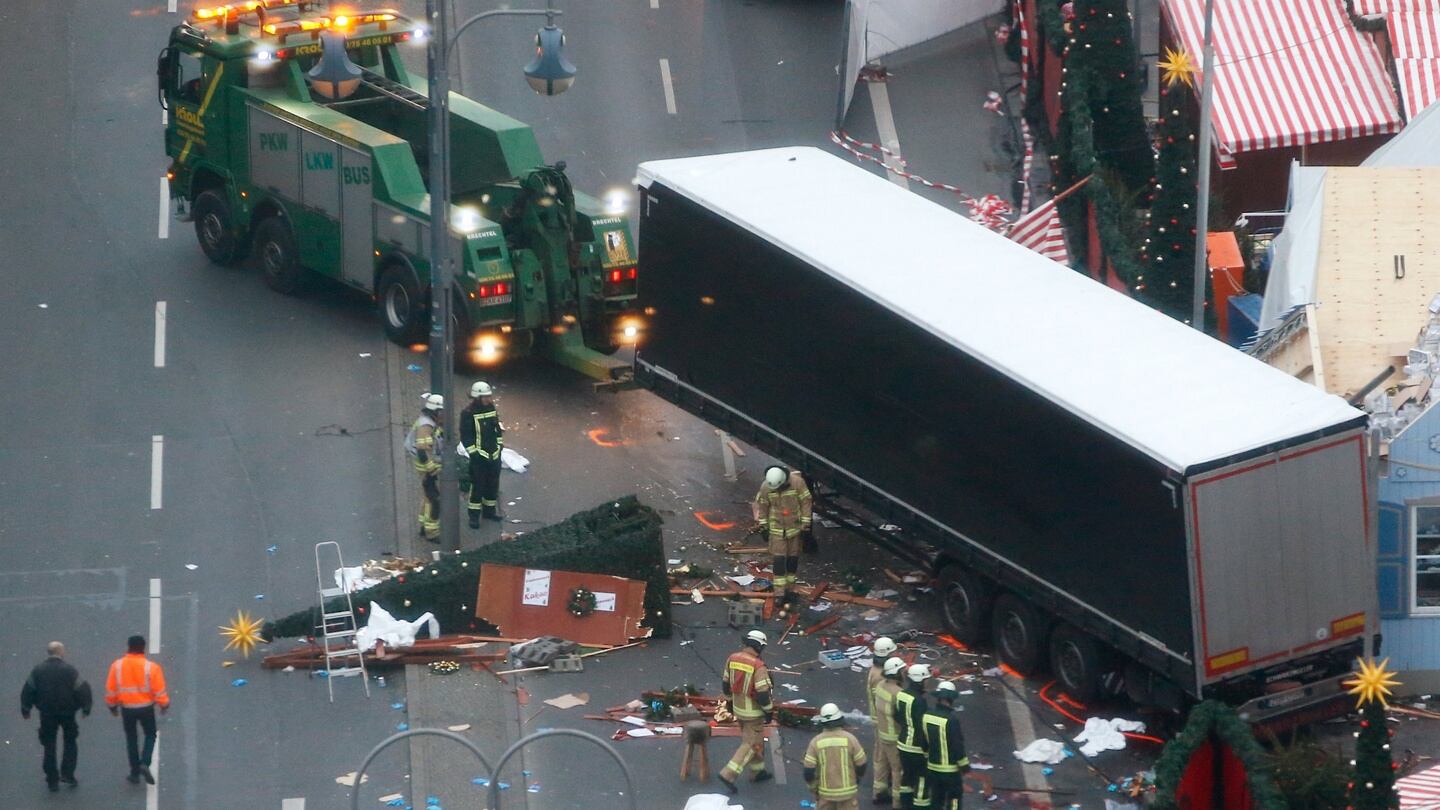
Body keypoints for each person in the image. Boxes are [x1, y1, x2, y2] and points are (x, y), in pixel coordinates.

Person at [21, 641, 92, 791]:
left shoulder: (38, 670)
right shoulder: (70, 670)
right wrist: (86, 707)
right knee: (70, 741)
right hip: (67, 712)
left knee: (49, 744)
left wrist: (26, 709)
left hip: (47, 713)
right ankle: (67, 773)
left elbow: (28, 690)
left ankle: (51, 778)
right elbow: (82, 689)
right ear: (61, 652)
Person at [105, 635, 168, 785]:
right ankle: (144, 762)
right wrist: (163, 704)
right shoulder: (151, 667)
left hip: (127, 709)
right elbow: (159, 690)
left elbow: (111, 689)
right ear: (143, 648)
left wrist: (112, 706)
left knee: (131, 739)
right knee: (150, 734)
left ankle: (134, 773)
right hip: (146, 708)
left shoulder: (117, 666)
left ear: (128, 646)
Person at [718, 629, 775, 793]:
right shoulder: (758, 666)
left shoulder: (732, 658)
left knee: (755, 740)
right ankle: (728, 774)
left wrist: (729, 701)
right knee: (750, 743)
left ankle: (757, 772)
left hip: (738, 708)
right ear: (759, 647)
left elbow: (725, 683)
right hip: (753, 713)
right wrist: (768, 711)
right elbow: (763, 694)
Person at [752, 465, 812, 610]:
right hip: (777, 530)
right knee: (779, 562)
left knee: (792, 561)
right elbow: (763, 507)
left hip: (794, 530)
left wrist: (805, 525)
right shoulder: (766, 487)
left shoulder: (797, 483)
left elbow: (806, 503)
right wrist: (764, 527)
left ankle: (790, 590)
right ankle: (779, 594)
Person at [804, 702, 868, 810]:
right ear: (840, 720)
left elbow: (808, 772)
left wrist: (814, 788)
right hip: (848, 793)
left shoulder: (816, 742)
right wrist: (857, 779)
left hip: (825, 794)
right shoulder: (850, 739)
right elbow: (861, 764)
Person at [459, 381, 504, 528]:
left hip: (493, 454)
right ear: (477, 397)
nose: (489, 399)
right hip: (479, 458)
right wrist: (474, 453)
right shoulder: (467, 413)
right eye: (486, 397)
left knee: (492, 485)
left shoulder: (490, 408)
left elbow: (496, 428)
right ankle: (474, 516)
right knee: (477, 487)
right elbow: (466, 436)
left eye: (489, 396)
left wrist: (499, 445)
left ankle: (489, 512)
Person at [921, 681, 970, 810]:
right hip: (950, 771)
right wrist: (964, 766)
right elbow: (957, 746)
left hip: (932, 767)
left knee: (936, 799)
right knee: (954, 799)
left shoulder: (927, 715)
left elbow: (924, 741)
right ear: (951, 699)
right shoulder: (951, 720)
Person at [404, 393, 445, 543]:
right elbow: (422, 450)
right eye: (442, 412)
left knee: (428, 497)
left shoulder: (429, 423)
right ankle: (432, 532)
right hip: (425, 467)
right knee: (434, 500)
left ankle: (423, 525)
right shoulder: (425, 426)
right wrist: (431, 468)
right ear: (436, 411)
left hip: (425, 466)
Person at [870, 657, 907, 808]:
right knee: (897, 769)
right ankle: (897, 802)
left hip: (882, 732)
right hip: (894, 736)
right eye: (902, 670)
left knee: (882, 763)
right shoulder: (899, 693)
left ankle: (878, 793)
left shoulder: (880, 686)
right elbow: (902, 717)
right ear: (897, 673)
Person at [893, 663, 931, 809]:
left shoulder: (901, 694)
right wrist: (926, 750)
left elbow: (896, 715)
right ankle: (920, 805)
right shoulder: (920, 701)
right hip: (916, 746)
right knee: (922, 777)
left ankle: (905, 803)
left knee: (907, 775)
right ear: (920, 681)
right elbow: (922, 727)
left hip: (902, 743)